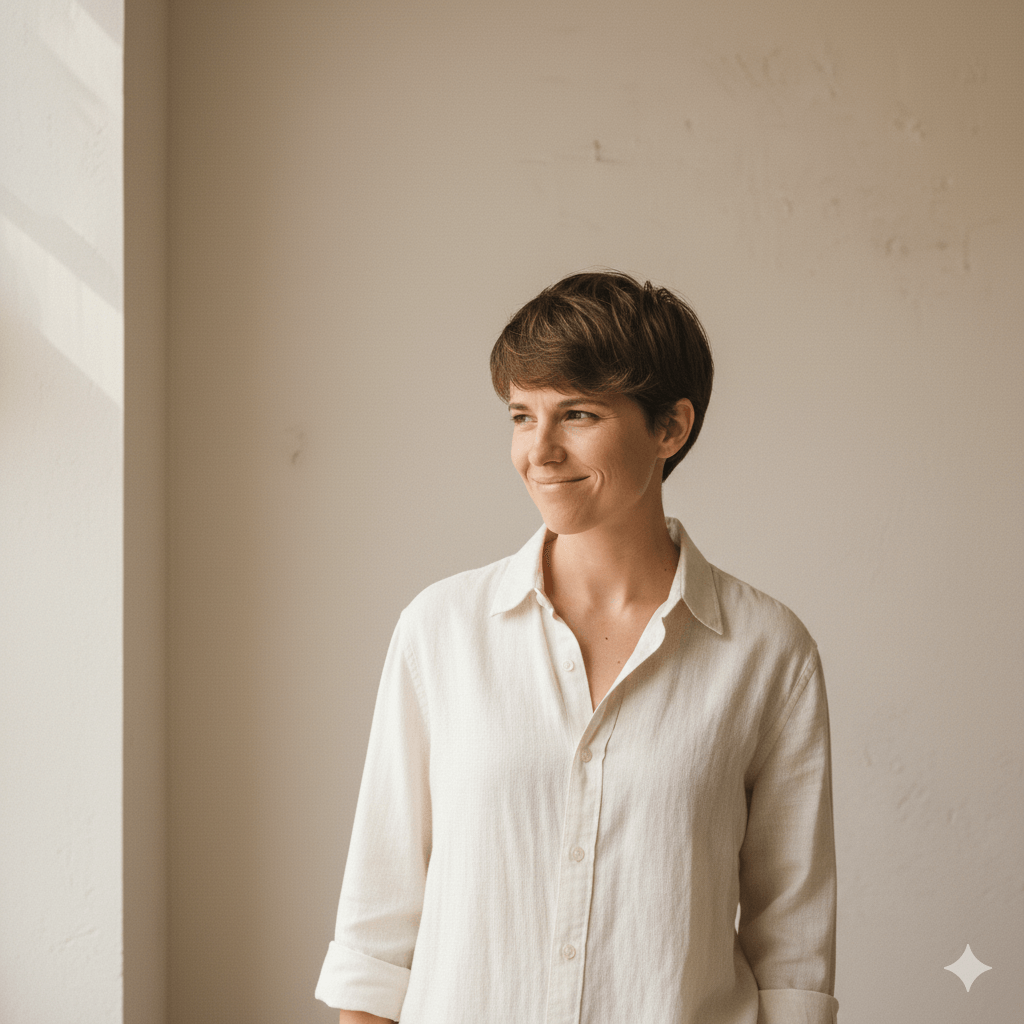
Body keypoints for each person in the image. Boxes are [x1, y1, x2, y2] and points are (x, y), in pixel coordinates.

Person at [315, 271, 839, 1024]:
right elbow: (379, 930)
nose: (540, 451)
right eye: (522, 416)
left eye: (579, 414)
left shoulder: (767, 652)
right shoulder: (441, 631)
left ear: (670, 428)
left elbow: (791, 946)